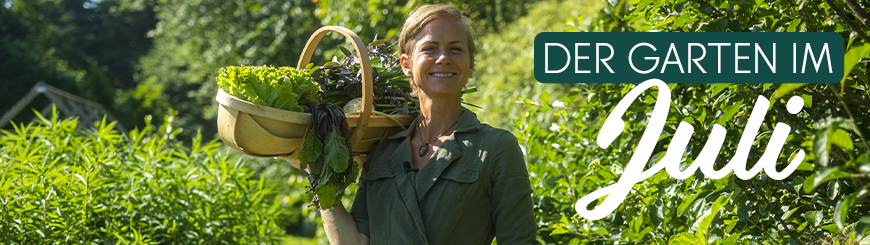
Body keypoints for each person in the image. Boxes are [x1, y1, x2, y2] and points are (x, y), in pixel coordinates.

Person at [317, 4, 539, 244]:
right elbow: (356, 242)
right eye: (429, 49)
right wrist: (317, 171)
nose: (443, 58)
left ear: (470, 63)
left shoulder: (494, 148)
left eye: (455, 49)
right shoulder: (382, 153)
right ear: (406, 64)